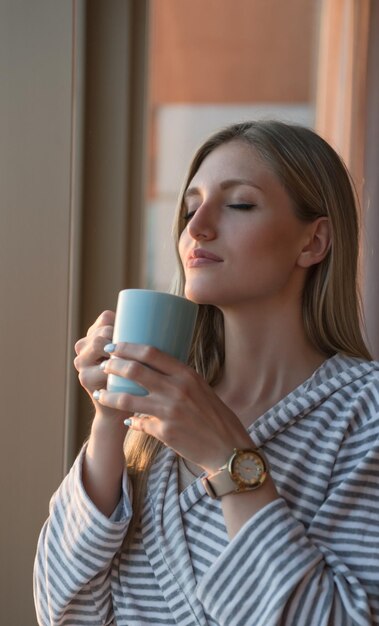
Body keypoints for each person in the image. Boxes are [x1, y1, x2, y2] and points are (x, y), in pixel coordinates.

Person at [34, 120, 379, 626]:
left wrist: (228, 459)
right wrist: (110, 418)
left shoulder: (365, 413)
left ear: (314, 242)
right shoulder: (158, 419)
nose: (197, 228)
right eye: (191, 207)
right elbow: (63, 613)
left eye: (238, 204)